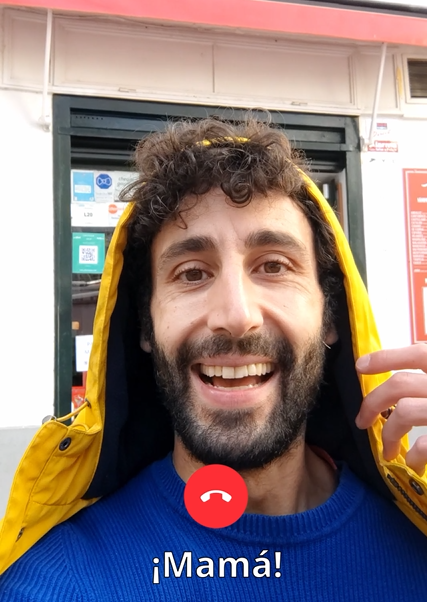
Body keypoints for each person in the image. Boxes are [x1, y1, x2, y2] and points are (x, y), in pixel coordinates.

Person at [1, 117, 427, 601]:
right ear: (145, 326)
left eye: (274, 265)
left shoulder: (417, 542)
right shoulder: (52, 585)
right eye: (191, 273)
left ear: (331, 314)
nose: (236, 316)